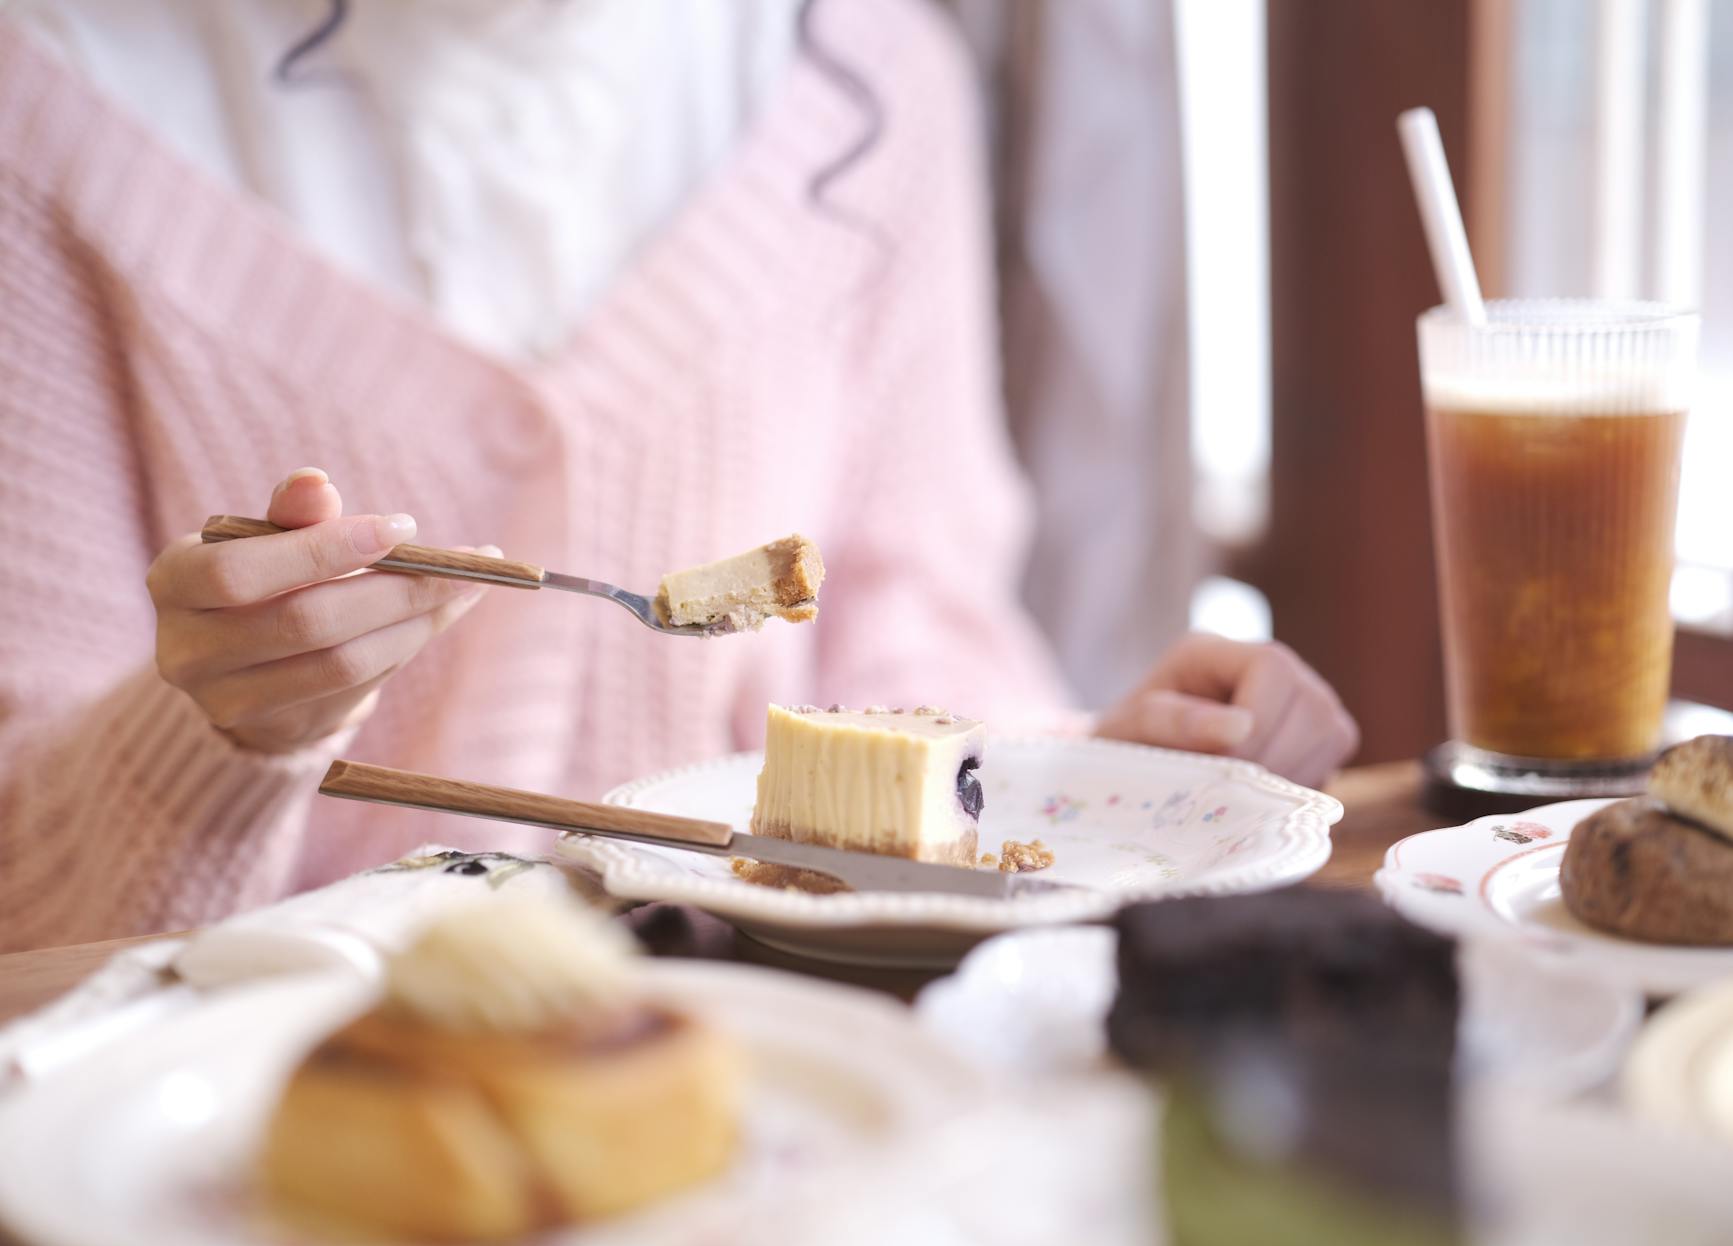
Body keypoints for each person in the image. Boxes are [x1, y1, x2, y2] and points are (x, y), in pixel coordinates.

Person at [0, 0, 1357, 951]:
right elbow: (24, 888)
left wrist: (1093, 780)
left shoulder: (869, 82)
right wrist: (220, 733)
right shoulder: (50, 98)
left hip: (766, 1071)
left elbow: (903, 637)